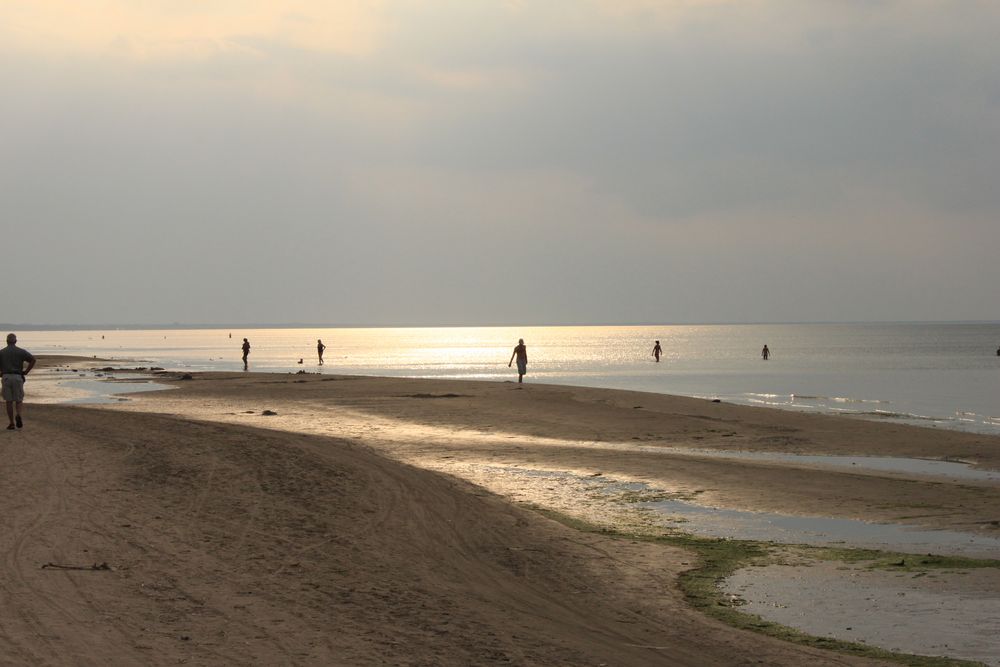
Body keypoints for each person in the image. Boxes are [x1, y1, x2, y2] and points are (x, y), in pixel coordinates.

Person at [1, 333, 36, 430]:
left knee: (8, 401)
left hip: (6, 376)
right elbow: (33, 360)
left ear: (7, 341)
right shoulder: (21, 351)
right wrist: (26, 372)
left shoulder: (2, 352)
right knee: (19, 400)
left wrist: (1, 372)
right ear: (15, 341)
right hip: (17, 377)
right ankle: (19, 414)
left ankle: (11, 423)